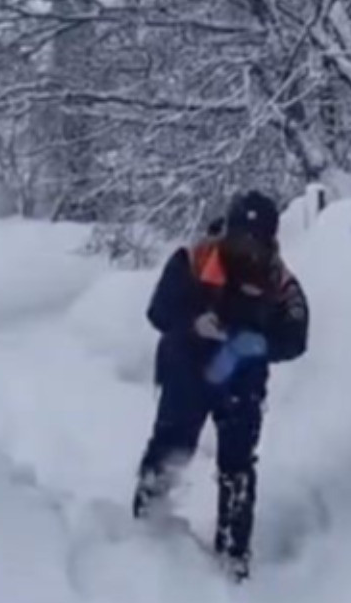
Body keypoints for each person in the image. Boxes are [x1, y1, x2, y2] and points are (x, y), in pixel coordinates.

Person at [132, 190, 310, 581]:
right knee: (172, 444)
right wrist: (194, 322)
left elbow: (297, 335)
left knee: (238, 466)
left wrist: (261, 344)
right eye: (239, 237)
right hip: (187, 366)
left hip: (242, 381)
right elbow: (159, 309)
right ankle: (146, 526)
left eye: (255, 240)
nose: (246, 249)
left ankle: (233, 555)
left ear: (270, 241)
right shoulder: (193, 259)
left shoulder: (280, 280)